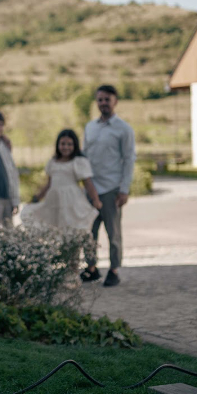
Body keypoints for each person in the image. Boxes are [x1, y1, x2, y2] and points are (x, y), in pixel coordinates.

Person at [82, 84, 136, 287]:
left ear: (115, 102)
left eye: (107, 99)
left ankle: (114, 270)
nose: (103, 103)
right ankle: (91, 268)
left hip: (111, 189)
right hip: (91, 189)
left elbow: (129, 159)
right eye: (100, 100)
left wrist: (124, 189)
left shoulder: (124, 129)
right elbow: (84, 156)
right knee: (88, 232)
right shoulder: (90, 127)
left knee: (113, 233)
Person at [20, 129, 102, 231]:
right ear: (58, 145)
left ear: (75, 145)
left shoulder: (78, 162)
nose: (66, 147)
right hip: (54, 200)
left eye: (69, 144)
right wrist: (36, 198)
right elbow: (49, 184)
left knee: (70, 226)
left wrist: (95, 199)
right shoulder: (53, 162)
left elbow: (88, 183)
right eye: (63, 144)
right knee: (54, 226)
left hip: (71, 200)